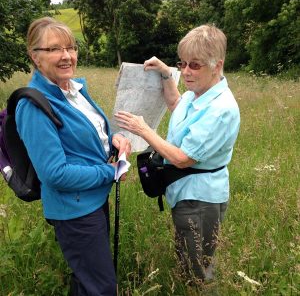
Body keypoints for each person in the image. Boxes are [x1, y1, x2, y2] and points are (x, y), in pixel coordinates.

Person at [115, 24, 240, 283]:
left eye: (194, 65)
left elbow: (183, 159)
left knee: (198, 270)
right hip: (186, 193)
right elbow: (175, 103)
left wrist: (143, 129)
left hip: (200, 200)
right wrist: (165, 75)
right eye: (181, 64)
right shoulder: (199, 94)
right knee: (188, 256)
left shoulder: (220, 109)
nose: (185, 71)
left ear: (217, 65)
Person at [16, 17, 131, 295]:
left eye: (70, 47)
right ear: (35, 57)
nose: (66, 56)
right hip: (75, 212)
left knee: (87, 281)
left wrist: (113, 139)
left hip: (92, 199)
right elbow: (55, 173)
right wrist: (111, 171)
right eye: (54, 49)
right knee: (102, 288)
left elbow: (89, 134)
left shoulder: (74, 90)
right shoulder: (34, 106)